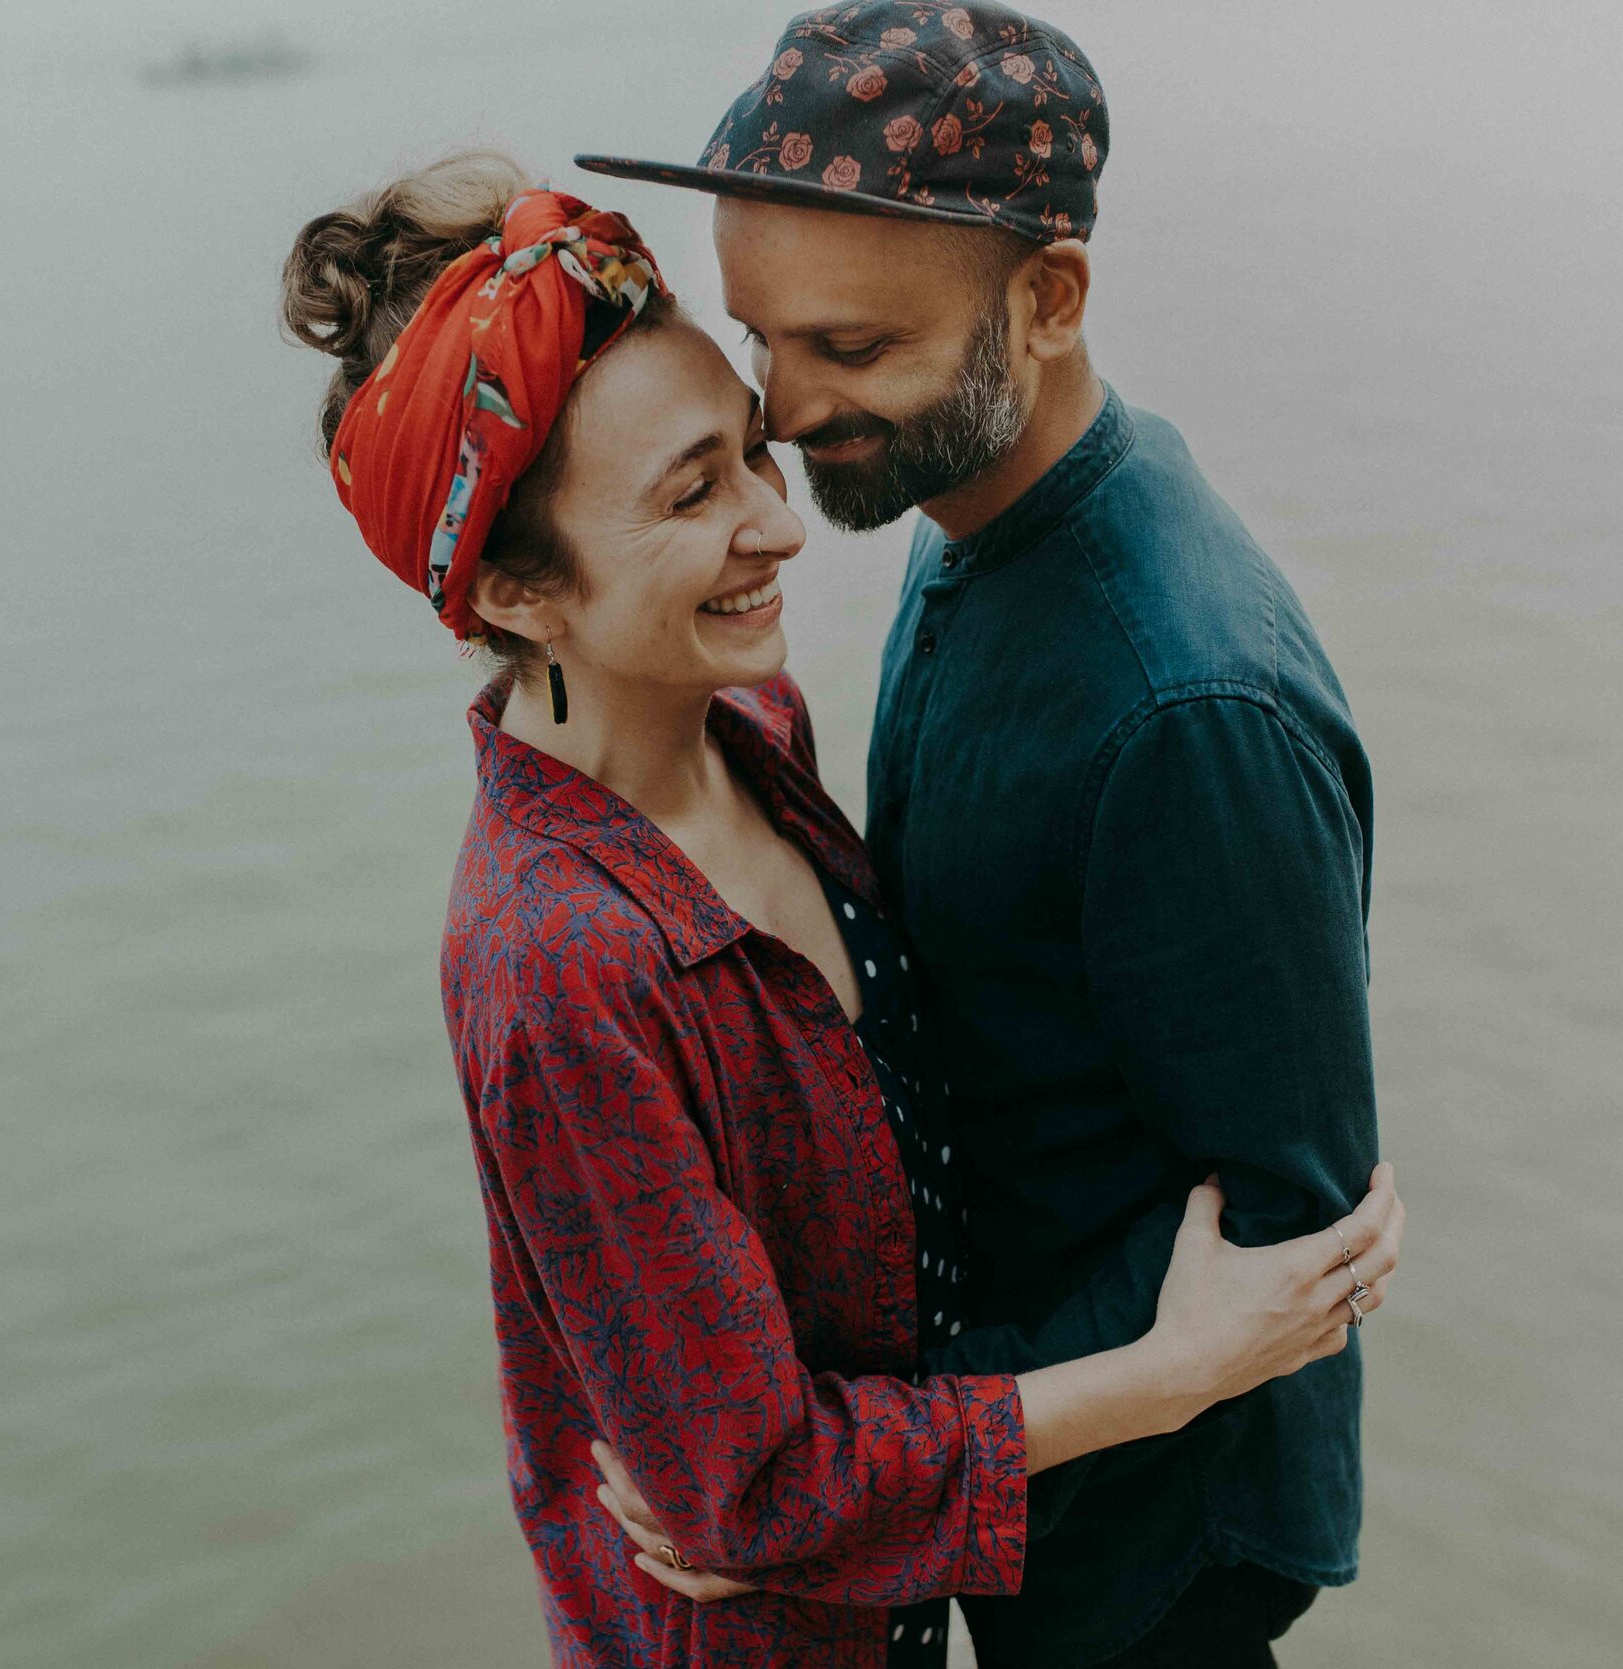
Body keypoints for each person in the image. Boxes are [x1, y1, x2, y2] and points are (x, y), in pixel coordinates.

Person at [278, 151, 1404, 1669]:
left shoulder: (757, 731)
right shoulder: (561, 967)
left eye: (750, 449)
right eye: (694, 492)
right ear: (517, 598)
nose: (782, 519)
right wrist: (1169, 1365)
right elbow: (748, 1489)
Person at [575, 5, 1390, 1666]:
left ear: (1051, 299)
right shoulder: (977, 524)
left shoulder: (1187, 708)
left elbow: (1294, 1228)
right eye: (762, 339)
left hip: (1147, 1544)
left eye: (853, 352)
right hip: (1012, 1458)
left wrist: (838, 1472)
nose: (784, 418)